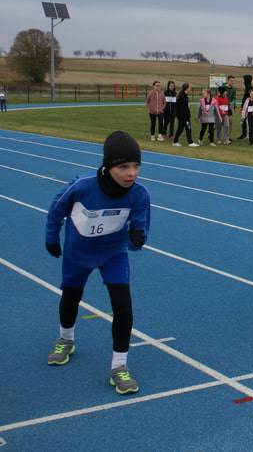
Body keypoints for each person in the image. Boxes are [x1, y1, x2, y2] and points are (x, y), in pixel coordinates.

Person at [44, 131, 151, 394]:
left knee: (123, 307)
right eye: (124, 166)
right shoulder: (82, 185)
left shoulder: (139, 194)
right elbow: (57, 208)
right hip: (77, 253)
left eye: (136, 166)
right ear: (108, 165)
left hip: (113, 253)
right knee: (71, 296)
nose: (131, 173)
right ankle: (65, 339)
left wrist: (138, 238)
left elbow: (138, 237)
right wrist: (51, 238)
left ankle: (119, 367)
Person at [172, 83, 199, 147]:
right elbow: (181, 107)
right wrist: (185, 116)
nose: (190, 88)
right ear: (187, 88)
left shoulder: (184, 95)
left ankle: (175, 141)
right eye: (190, 87)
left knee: (180, 129)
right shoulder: (182, 96)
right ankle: (190, 142)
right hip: (183, 116)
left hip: (183, 116)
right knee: (188, 128)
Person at [237, 74, 253, 140]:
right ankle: (245, 134)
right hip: (246, 106)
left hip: (247, 106)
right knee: (245, 120)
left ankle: (247, 134)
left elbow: (246, 98)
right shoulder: (248, 87)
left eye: (244, 80)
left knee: (246, 120)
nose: (243, 81)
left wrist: (242, 106)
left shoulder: (249, 87)